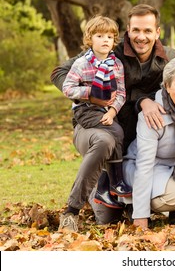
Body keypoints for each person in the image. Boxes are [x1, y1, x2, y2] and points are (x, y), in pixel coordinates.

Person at [51, 5, 175, 225]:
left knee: (127, 201)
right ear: (127, 30)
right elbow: (59, 73)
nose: (141, 37)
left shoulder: (169, 57)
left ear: (157, 32)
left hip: (137, 139)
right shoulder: (110, 50)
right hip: (96, 124)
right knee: (107, 218)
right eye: (136, 30)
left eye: (148, 31)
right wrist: (91, 95)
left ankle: (126, 194)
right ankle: (97, 189)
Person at [106, 56, 175, 229]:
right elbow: (144, 165)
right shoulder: (152, 114)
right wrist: (140, 216)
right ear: (167, 86)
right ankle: (136, 204)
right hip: (148, 168)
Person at [58, 16, 130, 232]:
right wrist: (91, 93)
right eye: (99, 36)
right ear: (90, 39)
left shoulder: (116, 64)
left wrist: (112, 110)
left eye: (109, 36)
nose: (105, 40)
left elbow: (121, 92)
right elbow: (68, 89)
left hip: (107, 113)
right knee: (113, 132)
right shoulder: (82, 63)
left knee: (115, 131)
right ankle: (73, 209)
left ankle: (112, 183)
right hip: (85, 111)